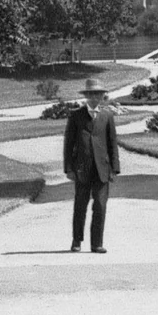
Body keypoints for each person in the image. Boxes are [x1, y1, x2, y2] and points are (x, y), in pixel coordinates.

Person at [61, 76, 120, 253]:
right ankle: (77, 240)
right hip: (82, 169)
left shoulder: (107, 116)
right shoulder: (76, 116)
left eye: (98, 94)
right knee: (80, 205)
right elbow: (69, 144)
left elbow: (112, 143)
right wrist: (69, 168)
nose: (95, 98)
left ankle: (97, 243)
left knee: (100, 206)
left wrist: (114, 168)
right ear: (86, 96)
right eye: (91, 94)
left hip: (102, 169)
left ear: (103, 96)